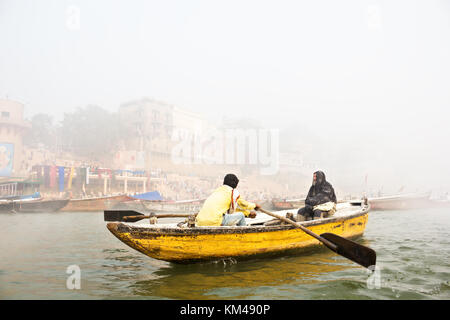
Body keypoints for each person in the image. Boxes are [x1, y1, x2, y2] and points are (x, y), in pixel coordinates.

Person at [195, 173, 260, 226]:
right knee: (241, 216)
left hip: (199, 222)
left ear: (224, 182)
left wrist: (248, 213)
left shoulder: (217, 191)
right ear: (236, 185)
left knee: (230, 216)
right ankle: (245, 237)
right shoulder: (233, 192)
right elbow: (244, 204)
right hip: (215, 222)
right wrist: (255, 206)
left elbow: (230, 211)